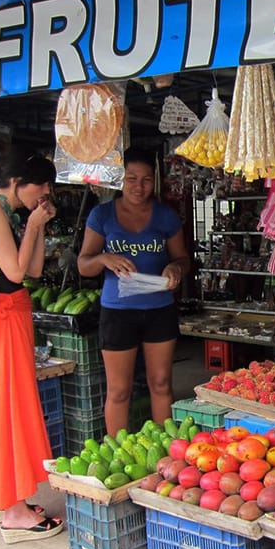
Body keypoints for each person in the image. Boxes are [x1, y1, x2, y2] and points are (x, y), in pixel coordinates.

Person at [0, 149, 64, 543]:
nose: (45, 195)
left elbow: (34, 271)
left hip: (11, 317)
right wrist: (35, 222)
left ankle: (3, 498)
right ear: (19, 182)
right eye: (42, 187)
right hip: (1, 321)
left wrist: (37, 227)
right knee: (6, 408)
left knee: (10, 406)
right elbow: (16, 271)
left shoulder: (6, 213)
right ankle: (14, 511)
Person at [77, 147, 190, 435]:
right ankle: (118, 450)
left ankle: (167, 446)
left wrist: (175, 269)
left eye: (147, 180)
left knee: (162, 383)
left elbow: (183, 259)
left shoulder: (165, 216)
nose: (139, 187)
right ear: (120, 180)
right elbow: (83, 265)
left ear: (155, 181)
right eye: (131, 179)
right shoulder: (102, 215)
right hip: (117, 312)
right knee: (118, 390)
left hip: (159, 310)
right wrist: (104, 258)